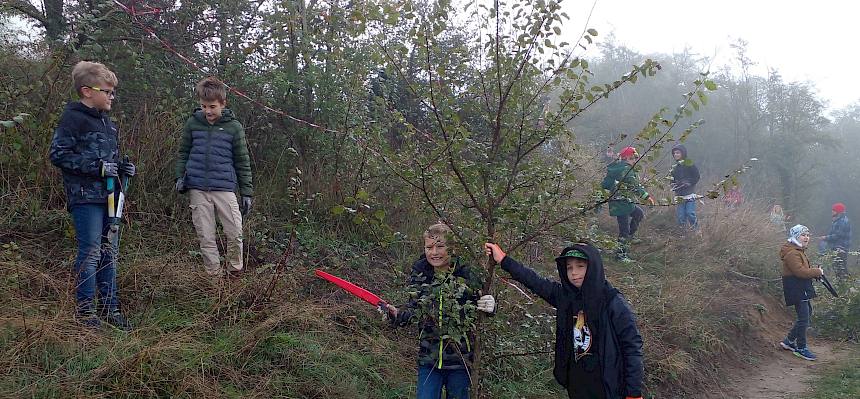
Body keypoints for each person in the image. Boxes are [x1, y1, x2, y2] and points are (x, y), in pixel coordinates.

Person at [484, 241, 643, 399]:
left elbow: (632, 347)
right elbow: (536, 282)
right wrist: (504, 259)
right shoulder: (566, 298)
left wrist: (633, 393)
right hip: (577, 386)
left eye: (580, 266)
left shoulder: (612, 302)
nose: (574, 273)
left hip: (608, 387)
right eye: (569, 267)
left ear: (593, 266)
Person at [49, 61, 134, 330]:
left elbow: (109, 160)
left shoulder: (108, 124)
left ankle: (111, 309)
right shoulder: (73, 118)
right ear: (87, 91)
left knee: (110, 251)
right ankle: (86, 313)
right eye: (107, 91)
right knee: (91, 252)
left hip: (110, 198)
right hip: (85, 197)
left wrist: (122, 169)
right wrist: (95, 167)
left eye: (113, 92)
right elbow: (59, 155)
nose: (111, 97)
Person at [385, 223, 496, 399]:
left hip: (462, 362)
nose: (434, 252)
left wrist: (491, 306)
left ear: (452, 247)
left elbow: (482, 307)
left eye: (440, 246)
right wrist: (396, 315)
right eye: (429, 247)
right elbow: (415, 310)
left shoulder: (468, 274)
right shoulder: (420, 273)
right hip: (429, 360)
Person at [175, 76, 253, 279]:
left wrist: (246, 192)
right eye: (203, 106)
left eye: (212, 106)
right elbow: (183, 153)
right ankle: (214, 278)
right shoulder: (193, 123)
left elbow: (242, 161)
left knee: (235, 232)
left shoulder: (234, 127)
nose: (208, 111)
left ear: (223, 104)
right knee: (206, 236)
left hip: (224, 188)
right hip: (197, 187)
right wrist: (179, 177)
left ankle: (234, 272)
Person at [601, 146, 655, 261]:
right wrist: (647, 197)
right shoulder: (626, 170)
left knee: (638, 214)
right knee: (623, 230)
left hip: (625, 202)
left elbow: (605, 184)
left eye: (636, 158)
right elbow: (635, 186)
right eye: (633, 158)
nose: (635, 160)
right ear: (625, 158)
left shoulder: (617, 168)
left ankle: (630, 237)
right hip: (621, 204)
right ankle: (621, 255)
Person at [779, 224, 824, 361]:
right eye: (803, 235)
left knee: (807, 314)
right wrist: (817, 271)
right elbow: (800, 272)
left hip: (801, 288)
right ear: (796, 236)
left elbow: (802, 271)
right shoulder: (793, 253)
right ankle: (801, 348)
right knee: (804, 318)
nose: (806, 238)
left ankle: (789, 341)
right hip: (797, 289)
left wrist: (814, 273)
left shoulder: (798, 250)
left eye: (808, 235)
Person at [669, 144, 700, 230]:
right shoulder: (674, 167)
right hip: (679, 195)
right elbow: (671, 179)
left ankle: (696, 231)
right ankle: (683, 234)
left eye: (678, 153)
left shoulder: (690, 164)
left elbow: (697, 176)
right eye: (674, 153)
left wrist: (689, 183)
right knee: (681, 216)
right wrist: (673, 184)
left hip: (689, 194)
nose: (676, 155)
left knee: (690, 213)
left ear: (683, 153)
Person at [817, 202, 851, 279]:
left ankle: (846, 287)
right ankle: (843, 285)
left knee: (841, 269)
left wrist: (825, 238)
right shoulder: (838, 220)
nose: (832, 211)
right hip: (836, 248)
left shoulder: (843, 221)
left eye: (833, 210)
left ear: (838, 211)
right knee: (838, 269)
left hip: (840, 248)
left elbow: (838, 235)